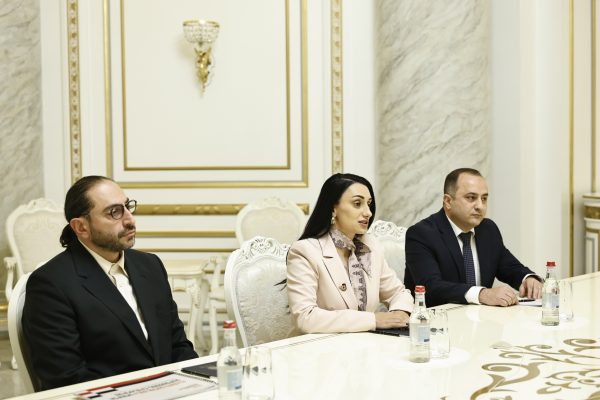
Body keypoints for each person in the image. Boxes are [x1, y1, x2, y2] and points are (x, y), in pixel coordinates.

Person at [22, 176, 198, 390]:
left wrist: (199, 386)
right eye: (114, 212)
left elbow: (178, 345)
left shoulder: (150, 265)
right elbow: (66, 379)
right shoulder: (50, 285)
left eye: (127, 207)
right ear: (81, 227)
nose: (130, 220)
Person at [286, 173, 414, 335]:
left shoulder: (370, 245)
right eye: (357, 204)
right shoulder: (304, 251)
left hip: (367, 343)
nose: (368, 212)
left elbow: (397, 293)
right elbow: (306, 317)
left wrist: (400, 314)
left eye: (369, 204)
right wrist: (374, 320)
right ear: (333, 208)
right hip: (322, 346)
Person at [404, 168, 542, 308]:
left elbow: (508, 266)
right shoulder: (421, 234)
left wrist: (528, 279)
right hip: (438, 318)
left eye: (484, 199)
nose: (480, 206)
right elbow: (431, 287)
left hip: (481, 318)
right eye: (471, 198)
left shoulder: (488, 229)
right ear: (448, 201)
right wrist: (481, 294)